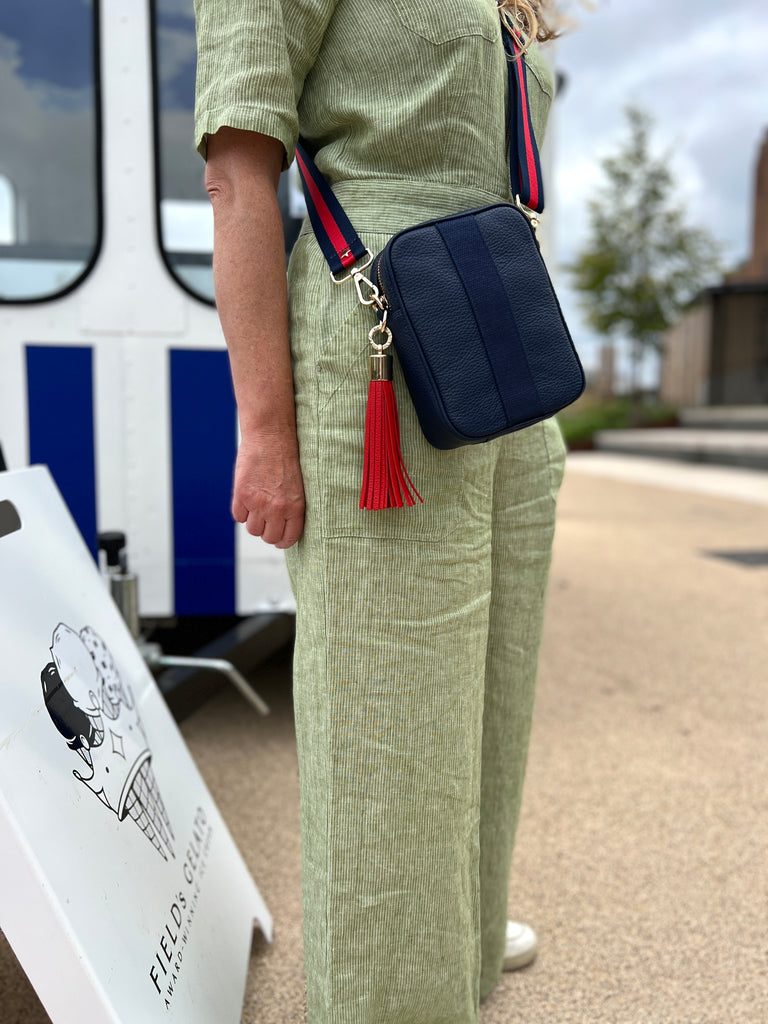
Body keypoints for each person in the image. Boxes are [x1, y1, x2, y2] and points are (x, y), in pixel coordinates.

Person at [194, 1, 566, 1020]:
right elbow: (238, 174)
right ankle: (392, 993)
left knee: (488, 696)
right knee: (388, 711)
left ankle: (458, 938)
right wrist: (265, 428)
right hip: (380, 349)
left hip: (499, 344)